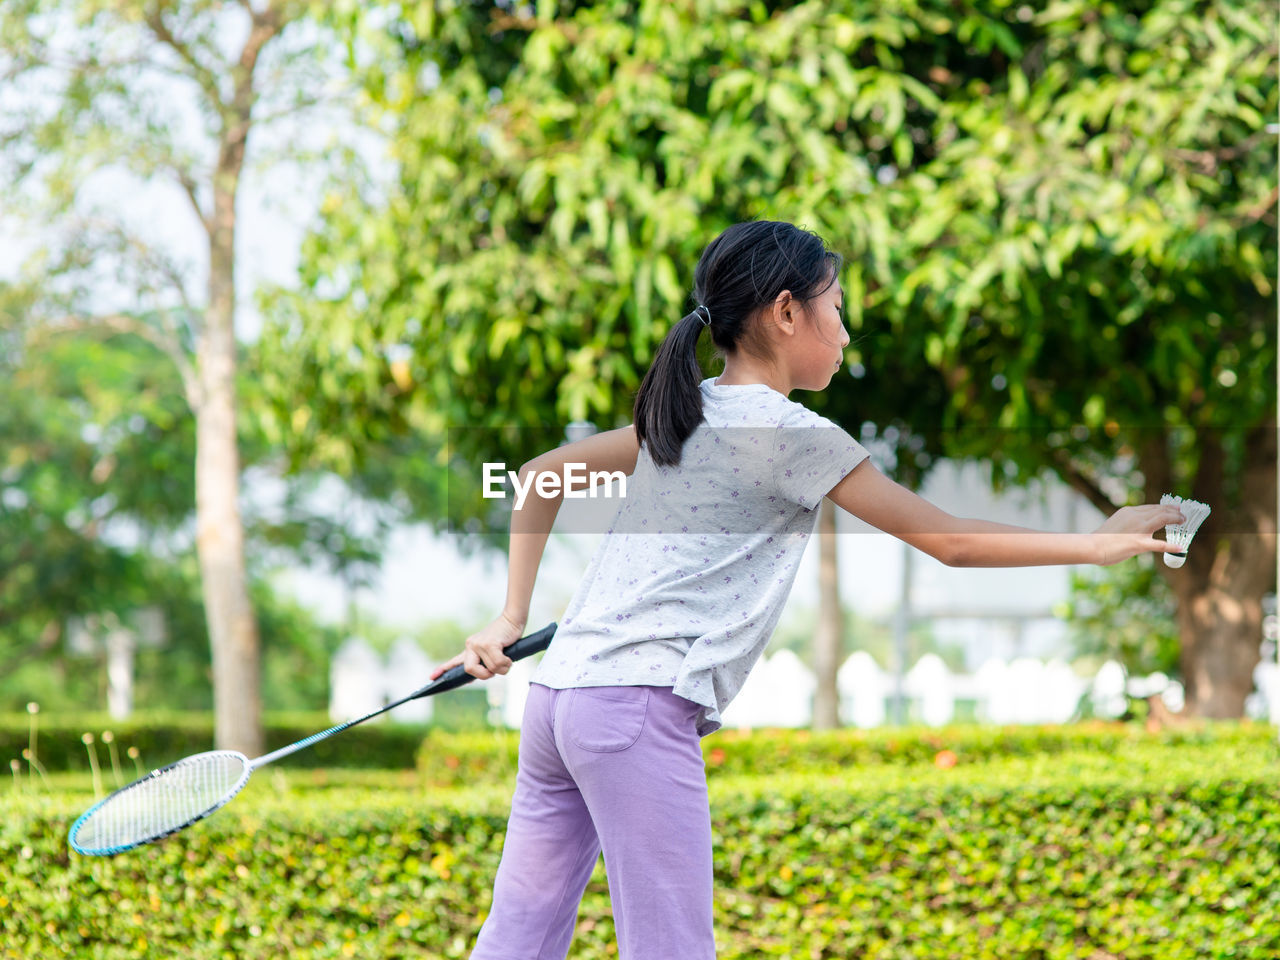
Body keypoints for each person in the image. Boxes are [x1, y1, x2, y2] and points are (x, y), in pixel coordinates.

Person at [431, 220, 1184, 960]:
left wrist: (508, 618)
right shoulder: (790, 434)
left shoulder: (684, 413)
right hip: (635, 704)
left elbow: (539, 476)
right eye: (839, 309)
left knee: (517, 939)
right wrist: (1097, 542)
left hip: (559, 702)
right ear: (787, 312)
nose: (847, 333)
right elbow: (947, 541)